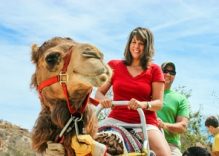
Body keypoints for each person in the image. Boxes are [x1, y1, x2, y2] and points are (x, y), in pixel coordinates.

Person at [95, 27, 171, 156]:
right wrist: (105, 101)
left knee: (165, 154)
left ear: (147, 47)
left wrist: (143, 104)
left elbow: (159, 103)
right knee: (84, 143)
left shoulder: (155, 69)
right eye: (133, 42)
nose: (136, 46)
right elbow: (98, 93)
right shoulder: (114, 65)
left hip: (144, 122)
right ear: (129, 44)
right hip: (115, 119)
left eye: (141, 43)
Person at [157, 62, 190, 156]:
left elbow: (182, 126)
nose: (168, 74)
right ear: (159, 72)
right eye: (165, 71)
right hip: (143, 141)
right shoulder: (147, 92)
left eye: (172, 72)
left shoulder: (180, 99)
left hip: (169, 144)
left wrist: (164, 125)